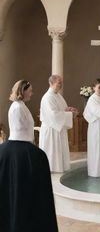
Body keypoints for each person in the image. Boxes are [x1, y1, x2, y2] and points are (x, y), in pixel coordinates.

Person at [0, 80, 58, 232]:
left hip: (17, 144)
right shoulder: (18, 107)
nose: (32, 93)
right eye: (30, 90)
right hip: (21, 144)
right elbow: (20, 128)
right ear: (23, 90)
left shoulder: (20, 106)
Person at [39, 75, 78, 173]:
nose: (61, 85)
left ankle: (59, 169)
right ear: (51, 83)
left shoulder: (58, 95)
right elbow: (53, 115)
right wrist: (69, 114)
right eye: (59, 82)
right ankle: (52, 170)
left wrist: (69, 110)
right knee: (52, 152)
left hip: (58, 128)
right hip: (52, 129)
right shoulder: (48, 97)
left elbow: (61, 110)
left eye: (61, 82)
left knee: (59, 152)